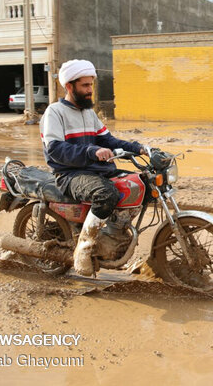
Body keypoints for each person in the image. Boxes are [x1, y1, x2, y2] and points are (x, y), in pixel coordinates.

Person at [40, 59, 145, 276]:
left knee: (141, 184)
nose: (90, 91)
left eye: (91, 85)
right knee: (106, 194)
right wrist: (91, 152)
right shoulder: (55, 112)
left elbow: (109, 140)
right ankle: (84, 249)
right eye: (85, 86)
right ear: (70, 87)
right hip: (70, 174)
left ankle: (114, 234)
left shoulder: (89, 113)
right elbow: (56, 150)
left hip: (97, 170)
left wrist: (140, 148)